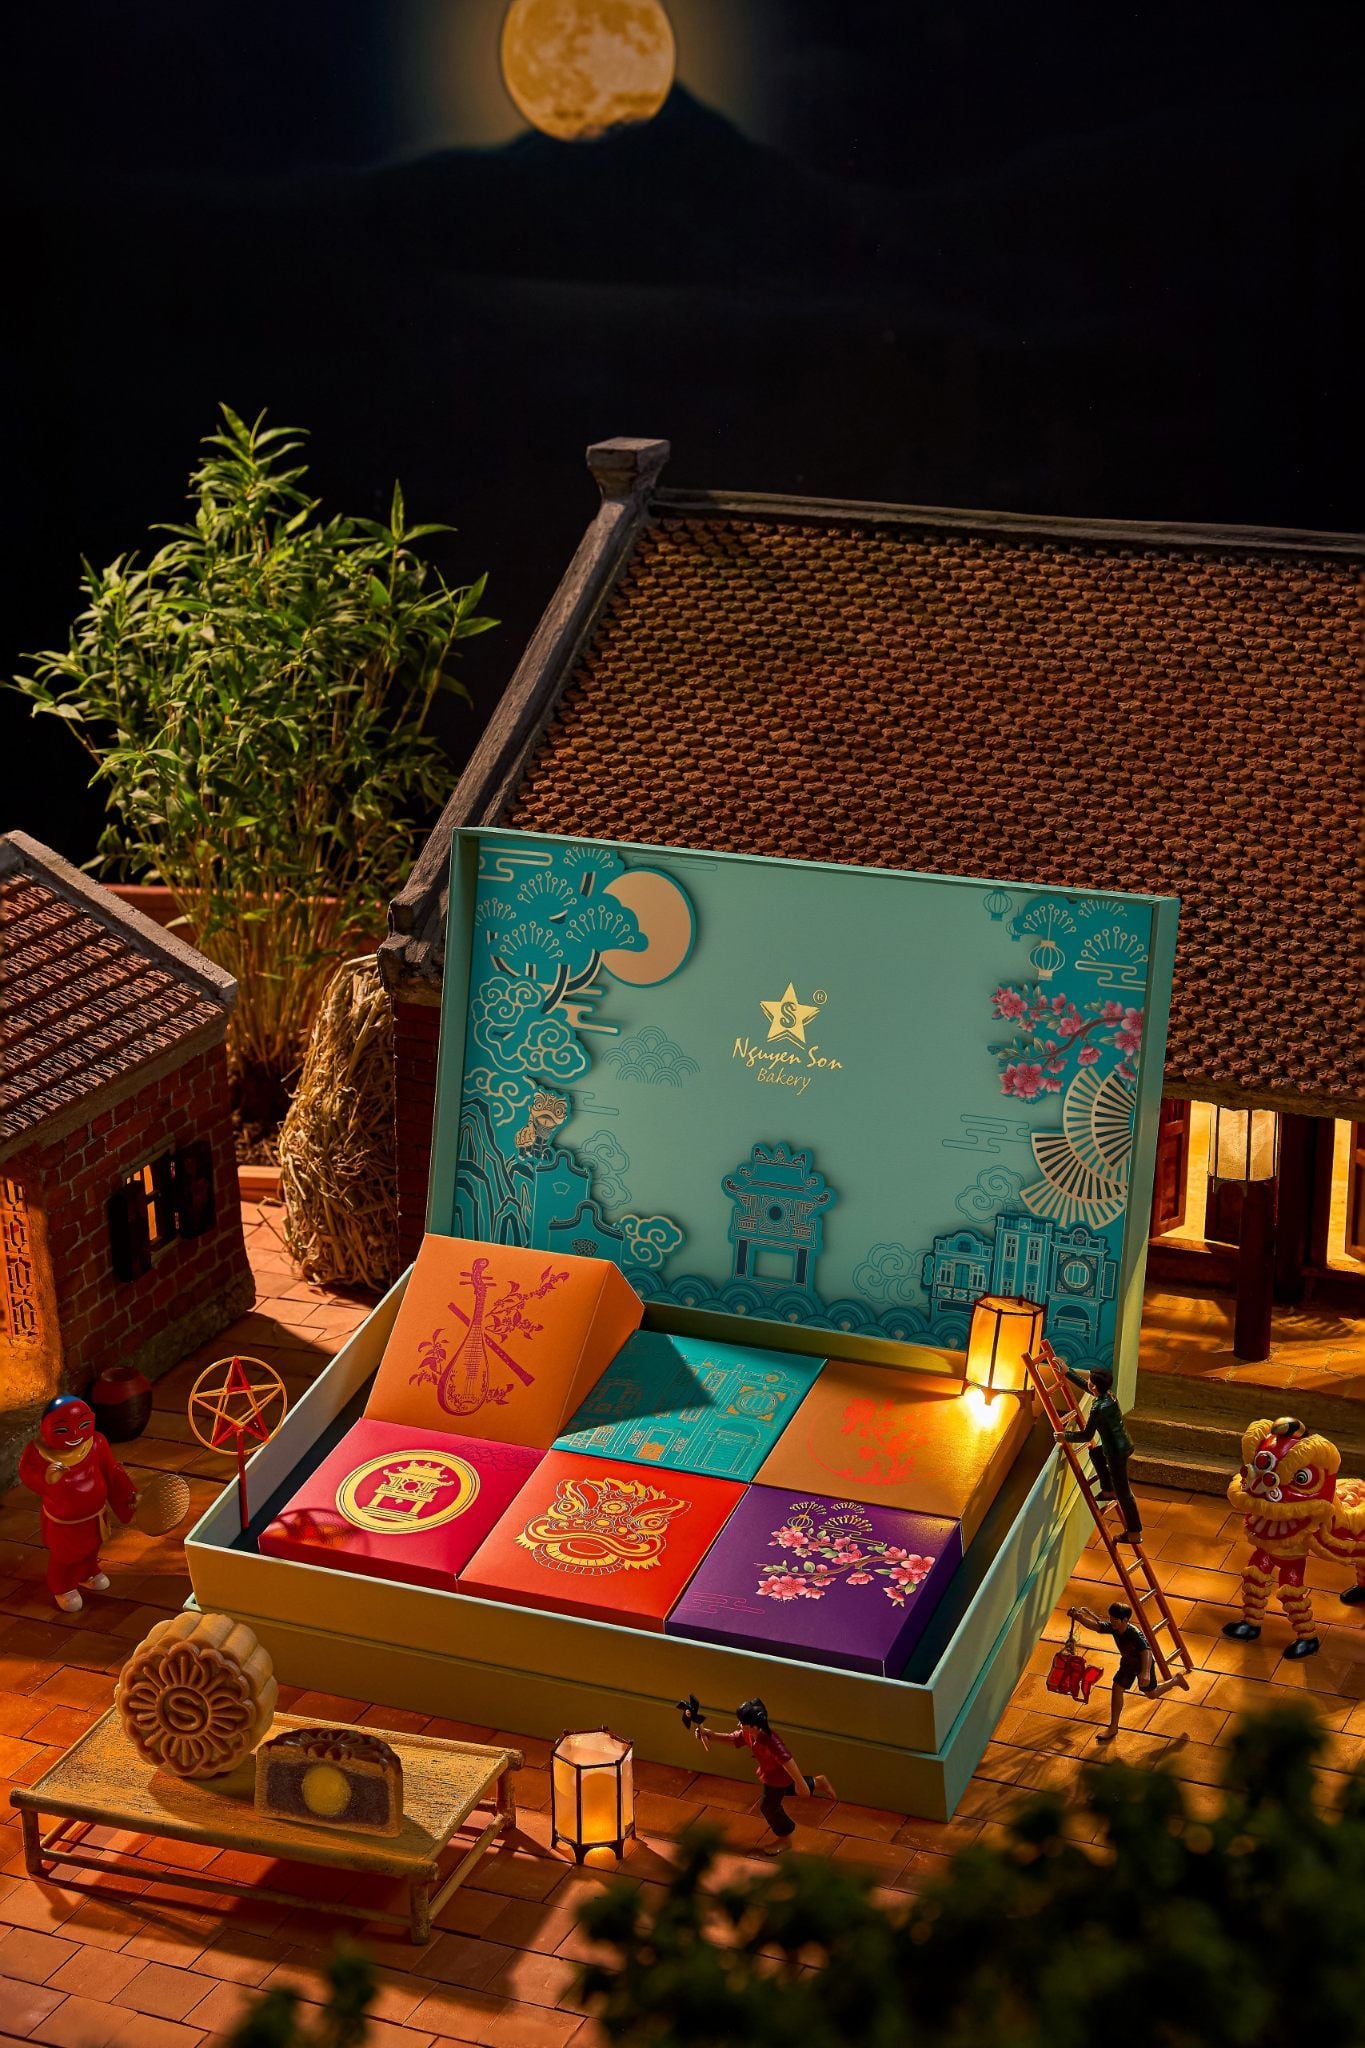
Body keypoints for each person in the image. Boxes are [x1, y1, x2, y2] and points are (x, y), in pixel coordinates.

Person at [18, 1395, 139, 1611]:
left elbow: (112, 1471)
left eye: (83, 1425)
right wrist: (47, 1479)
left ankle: (88, 1572)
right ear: (46, 1428)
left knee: (93, 1546)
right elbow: (27, 1475)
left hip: (95, 1514)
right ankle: (63, 1587)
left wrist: (128, 1494)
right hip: (64, 1521)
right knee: (65, 1555)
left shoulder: (96, 1443)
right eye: (62, 1430)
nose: (75, 1434)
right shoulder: (38, 1453)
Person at [689, 1697, 835, 1844]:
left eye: (742, 1722)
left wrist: (801, 1783)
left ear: (753, 1725)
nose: (739, 1724)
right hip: (770, 1772)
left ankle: (784, 1838)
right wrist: (712, 1735)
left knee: (769, 1807)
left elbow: (788, 1762)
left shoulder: (771, 1741)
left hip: (777, 1777)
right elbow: (734, 1739)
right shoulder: (748, 1733)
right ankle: (816, 1782)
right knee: (787, 1790)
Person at [1068, 1601, 1178, 1743]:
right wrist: (1079, 1617)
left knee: (1152, 1694)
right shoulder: (1115, 1627)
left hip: (1142, 1664)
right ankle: (1113, 1727)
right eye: (1111, 1618)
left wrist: (1145, 1672)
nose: (1112, 1621)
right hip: (1127, 1664)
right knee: (1117, 1688)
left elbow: (1146, 1651)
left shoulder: (1134, 1633)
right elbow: (1097, 1626)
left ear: (1125, 1620)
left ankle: (1175, 1681)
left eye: (1115, 1619)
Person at [1062, 1365, 1142, 1543]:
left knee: (1124, 1493)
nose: (1088, 1382)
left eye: (1090, 1381)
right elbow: (1087, 1386)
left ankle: (1134, 1532)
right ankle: (1107, 1489)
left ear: (1095, 1386)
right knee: (1096, 1454)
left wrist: (1065, 1436)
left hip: (1115, 1453)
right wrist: (1067, 1372)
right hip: (1122, 1444)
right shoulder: (1109, 1396)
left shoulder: (1098, 1408)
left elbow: (1086, 1435)